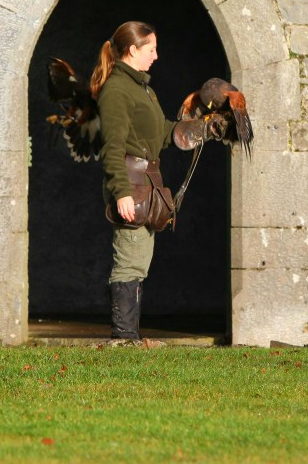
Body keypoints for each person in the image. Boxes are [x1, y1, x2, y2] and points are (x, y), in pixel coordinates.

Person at [90, 21, 222, 345]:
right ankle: (123, 339)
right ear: (133, 50)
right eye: (151, 49)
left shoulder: (143, 89)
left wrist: (200, 129)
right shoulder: (117, 90)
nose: (157, 56)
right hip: (130, 184)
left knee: (140, 259)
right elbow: (112, 147)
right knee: (130, 259)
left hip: (148, 185)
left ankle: (129, 337)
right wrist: (120, 192)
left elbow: (163, 132)